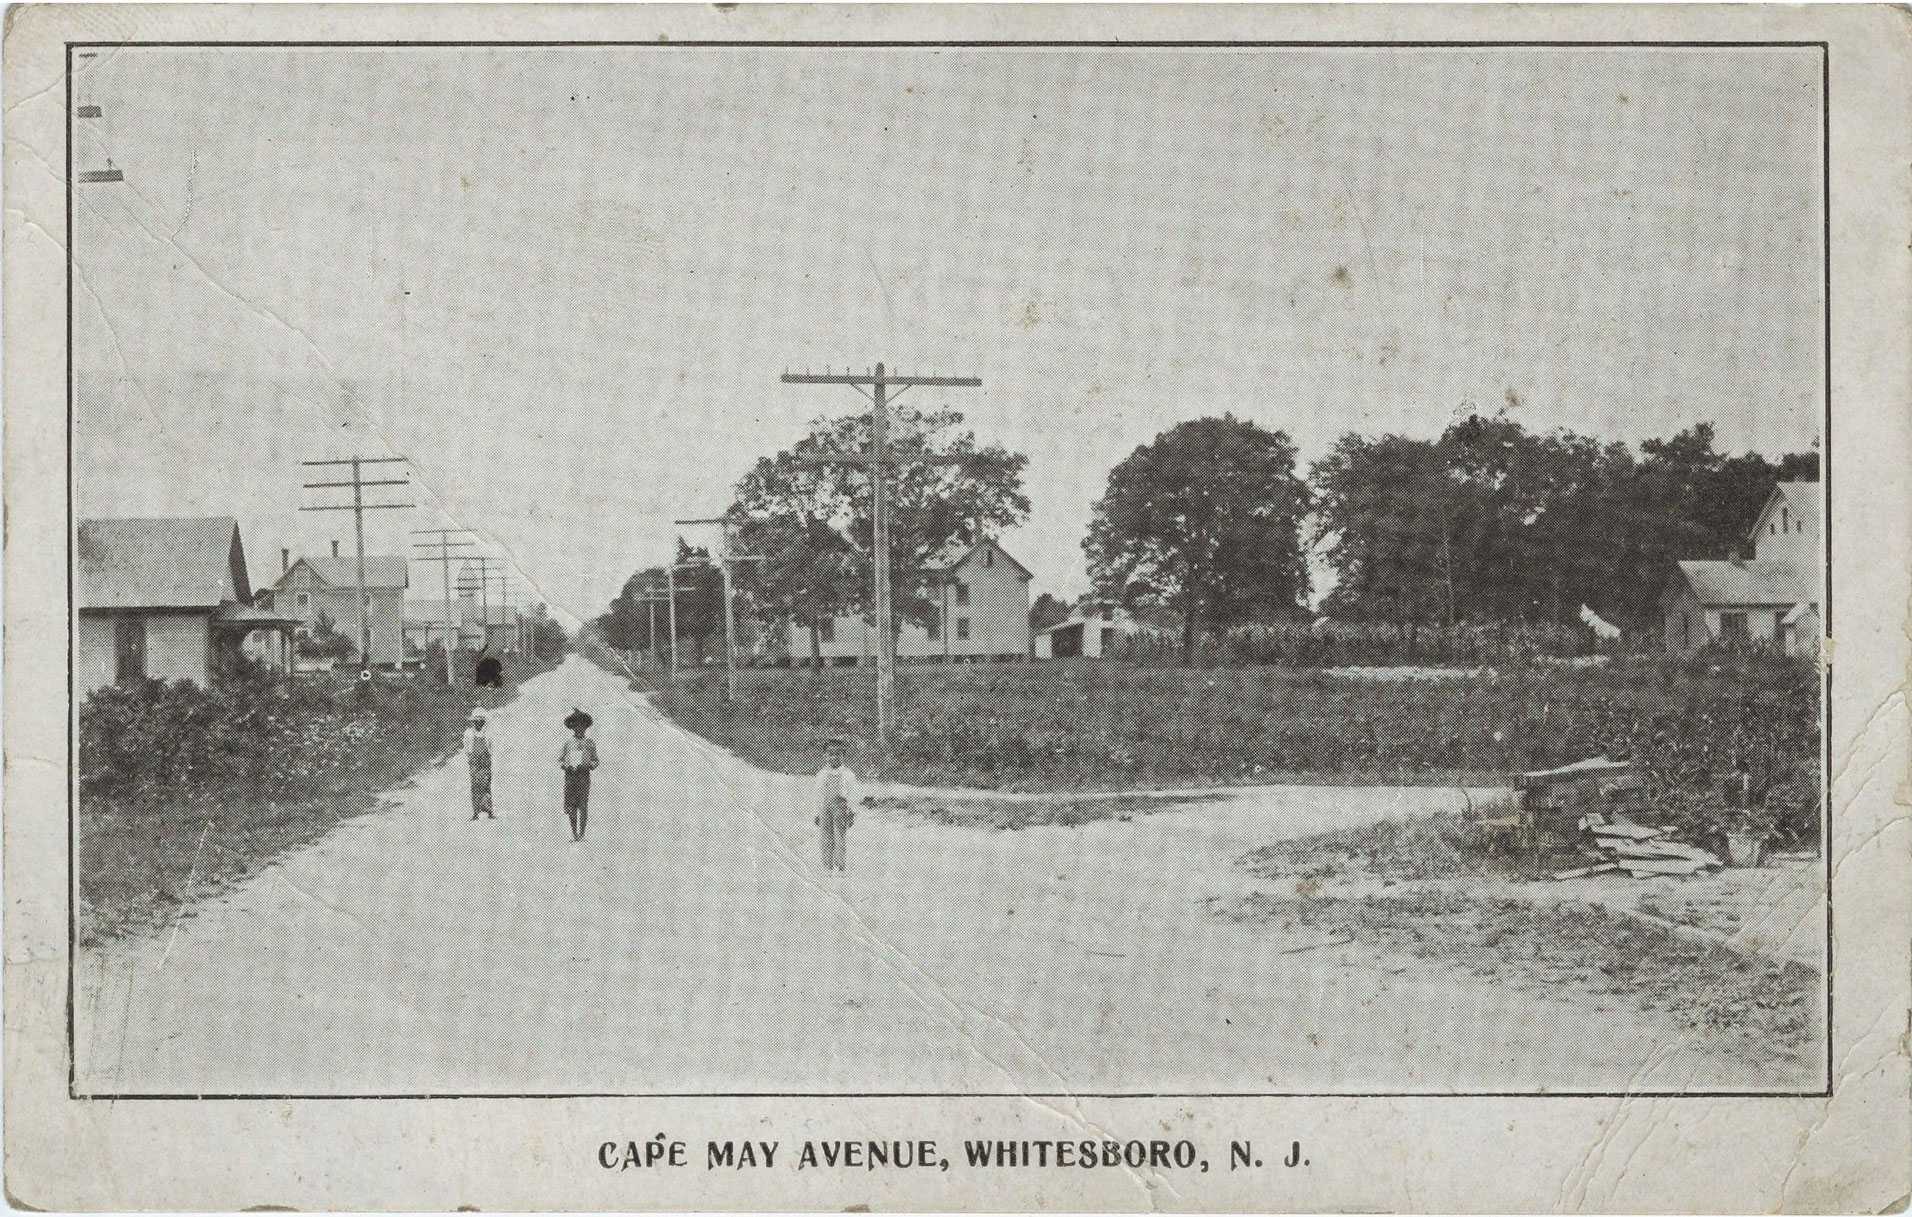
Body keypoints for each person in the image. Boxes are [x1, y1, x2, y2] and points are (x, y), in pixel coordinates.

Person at [813, 738, 865, 874]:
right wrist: (817, 812)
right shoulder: (822, 774)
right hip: (825, 809)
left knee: (840, 837)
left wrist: (852, 812)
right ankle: (827, 866)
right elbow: (818, 794)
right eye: (830, 754)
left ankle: (840, 866)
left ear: (843, 756)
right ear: (825, 755)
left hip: (841, 808)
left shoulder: (848, 774)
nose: (834, 757)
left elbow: (854, 794)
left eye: (838, 754)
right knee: (826, 837)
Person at [559, 708, 599, 842]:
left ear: (585, 727)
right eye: (576, 726)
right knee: (571, 805)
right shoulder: (568, 743)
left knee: (583, 805)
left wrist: (590, 765)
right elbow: (561, 759)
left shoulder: (590, 743)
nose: (579, 728)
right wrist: (566, 765)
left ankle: (582, 833)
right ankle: (574, 832)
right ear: (573, 727)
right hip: (571, 777)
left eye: (582, 726)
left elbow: (595, 760)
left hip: (584, 777)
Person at [463, 708, 495, 820]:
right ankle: (475, 812)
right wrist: (471, 758)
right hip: (474, 763)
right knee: (475, 786)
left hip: (485, 762)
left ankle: (489, 811)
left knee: (486, 785)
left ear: (483, 722)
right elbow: (466, 748)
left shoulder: (487, 733)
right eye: (476, 721)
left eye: (480, 721)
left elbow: (490, 747)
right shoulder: (468, 733)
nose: (478, 723)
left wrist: (487, 757)